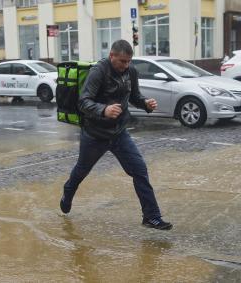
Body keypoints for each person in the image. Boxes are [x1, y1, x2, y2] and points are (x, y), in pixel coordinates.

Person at [60, 39, 172, 230]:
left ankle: (151, 216)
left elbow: (135, 96)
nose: (126, 65)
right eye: (122, 61)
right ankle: (68, 192)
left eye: (129, 61)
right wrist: (103, 110)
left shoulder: (131, 72)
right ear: (112, 56)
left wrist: (146, 104)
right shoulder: (98, 72)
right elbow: (83, 102)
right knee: (82, 170)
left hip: (119, 133)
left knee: (140, 170)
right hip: (95, 134)